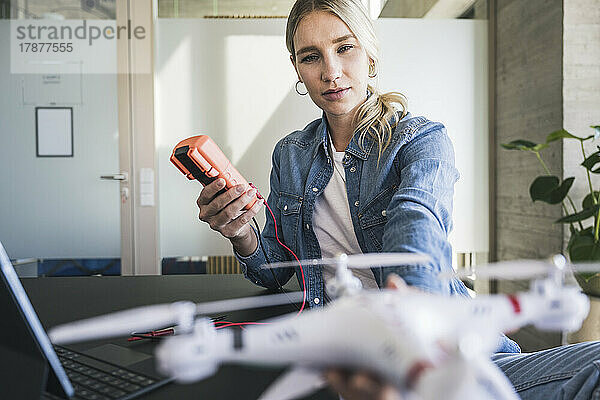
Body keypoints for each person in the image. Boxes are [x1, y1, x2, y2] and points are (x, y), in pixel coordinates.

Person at [194, 0, 600, 398]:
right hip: (341, 358)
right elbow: (274, 271)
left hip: (439, 349)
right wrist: (241, 233)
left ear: (370, 55)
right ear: (297, 69)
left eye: (344, 47)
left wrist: (412, 324)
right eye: (311, 56)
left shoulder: (421, 139)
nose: (331, 71)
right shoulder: (290, 155)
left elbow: (416, 223)